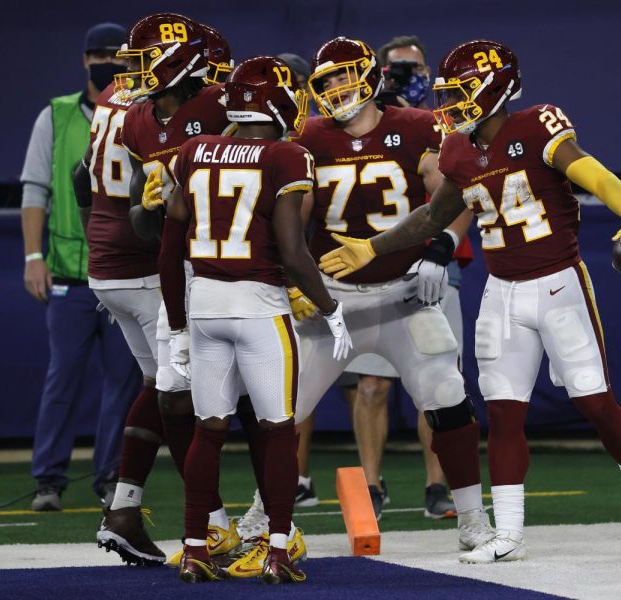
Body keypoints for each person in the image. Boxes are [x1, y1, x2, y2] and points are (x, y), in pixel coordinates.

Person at [319, 39, 621, 563]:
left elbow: (593, 172)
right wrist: (372, 246)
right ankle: (508, 532)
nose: (454, 103)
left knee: (595, 403)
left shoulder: (537, 125)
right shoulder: (459, 150)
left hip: (559, 284)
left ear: (496, 87)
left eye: (464, 91)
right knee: (504, 414)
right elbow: (432, 217)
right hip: (502, 293)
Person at [250, 36, 494, 556]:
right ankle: (261, 516)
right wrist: (293, 277)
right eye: (328, 80)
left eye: (344, 75)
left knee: (449, 396)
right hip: (333, 300)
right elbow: (292, 214)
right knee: (282, 410)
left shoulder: (415, 126)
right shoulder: (309, 136)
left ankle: (473, 516)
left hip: (405, 295)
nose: (337, 87)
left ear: (371, 75)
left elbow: (457, 189)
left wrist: (442, 245)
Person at [156, 55, 346, 584]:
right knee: (279, 432)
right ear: (277, 102)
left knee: (208, 430)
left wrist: (176, 325)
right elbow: (291, 249)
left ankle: (195, 545)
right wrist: (330, 308)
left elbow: (170, 247)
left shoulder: (194, 151)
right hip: (259, 306)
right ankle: (277, 549)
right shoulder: (287, 155)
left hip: (206, 304)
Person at [92, 14, 243, 567]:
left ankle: (132, 508)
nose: (127, 73)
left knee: (180, 392)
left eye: (139, 60)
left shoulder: (218, 106)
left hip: (211, 269)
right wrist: (152, 208)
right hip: (179, 273)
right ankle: (218, 525)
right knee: (183, 397)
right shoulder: (138, 120)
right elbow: (140, 214)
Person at [21, 22, 142, 512]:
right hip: (72, 271)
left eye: (116, 55)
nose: (106, 63)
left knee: (123, 380)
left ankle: (110, 474)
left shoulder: (138, 113)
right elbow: (35, 190)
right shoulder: (57, 115)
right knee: (62, 378)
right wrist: (33, 257)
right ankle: (49, 478)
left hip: (123, 269)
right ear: (84, 60)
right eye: (99, 55)